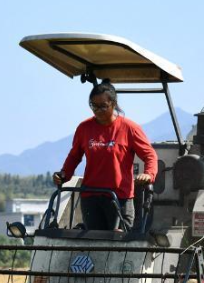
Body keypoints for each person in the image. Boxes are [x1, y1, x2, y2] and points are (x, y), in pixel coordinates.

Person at [53, 81, 158, 231]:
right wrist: (64, 174)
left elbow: (150, 155)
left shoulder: (129, 128)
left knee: (119, 241)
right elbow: (74, 156)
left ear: (113, 104)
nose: (98, 110)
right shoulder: (84, 128)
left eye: (103, 106)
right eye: (93, 106)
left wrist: (149, 174)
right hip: (91, 196)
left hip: (119, 197)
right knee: (95, 242)